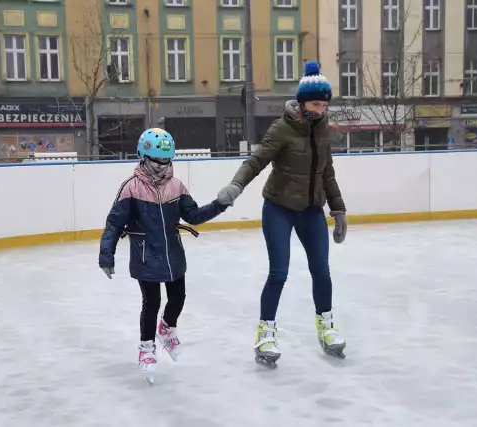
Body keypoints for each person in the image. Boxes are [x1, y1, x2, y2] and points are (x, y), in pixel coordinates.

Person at [217, 61, 348, 366]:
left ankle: (326, 328)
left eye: (325, 104)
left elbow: (327, 172)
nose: (322, 109)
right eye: (317, 103)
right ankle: (265, 334)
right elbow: (256, 161)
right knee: (279, 273)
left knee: (322, 271)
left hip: (312, 210)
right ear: (302, 103)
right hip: (279, 209)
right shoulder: (282, 128)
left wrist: (338, 209)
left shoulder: (322, 130)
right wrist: (236, 186)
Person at [99, 128, 228, 382]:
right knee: (152, 302)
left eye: (166, 160)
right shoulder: (131, 188)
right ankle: (146, 348)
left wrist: (219, 204)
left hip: (173, 254)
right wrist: (107, 256)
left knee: (178, 296)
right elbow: (114, 224)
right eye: (157, 160)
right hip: (146, 255)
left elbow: (193, 216)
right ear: (144, 157)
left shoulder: (176, 186)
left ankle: (167, 328)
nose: (162, 166)